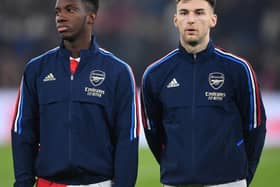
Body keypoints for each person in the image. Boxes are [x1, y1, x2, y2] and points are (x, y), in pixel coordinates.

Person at [11, 0, 139, 186]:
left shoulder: (118, 71)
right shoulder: (36, 69)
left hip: (98, 182)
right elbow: (23, 131)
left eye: (70, 10)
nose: (60, 17)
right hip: (50, 183)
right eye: (58, 12)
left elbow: (127, 137)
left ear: (91, 17)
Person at [141, 0, 266, 186]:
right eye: (184, 13)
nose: (191, 20)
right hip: (176, 182)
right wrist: (175, 166)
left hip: (228, 181)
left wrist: (243, 175)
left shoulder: (238, 69)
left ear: (212, 20)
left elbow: (255, 127)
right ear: (175, 20)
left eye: (199, 12)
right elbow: (153, 131)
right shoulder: (155, 74)